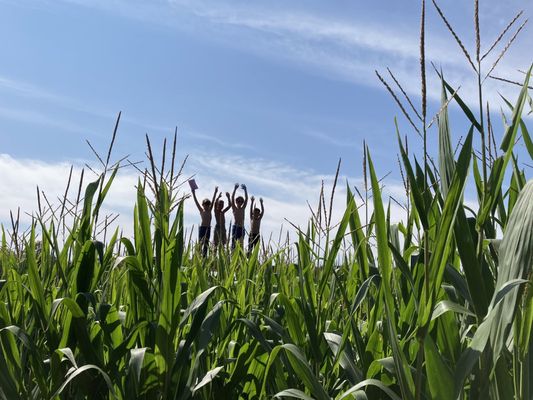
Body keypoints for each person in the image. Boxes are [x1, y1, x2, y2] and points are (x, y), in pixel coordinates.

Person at [191, 185, 218, 256]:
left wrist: (215, 192)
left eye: (208, 204)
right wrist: (193, 193)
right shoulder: (201, 210)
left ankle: (204, 257)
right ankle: (197, 255)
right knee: (200, 243)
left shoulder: (209, 210)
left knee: (206, 244)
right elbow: (196, 201)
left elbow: (213, 200)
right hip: (202, 228)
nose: (206, 205)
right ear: (203, 204)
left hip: (208, 228)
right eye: (205, 204)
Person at [229, 183, 248, 249]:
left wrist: (245, 190)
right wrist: (235, 189)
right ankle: (232, 256)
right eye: (238, 201)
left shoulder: (243, 208)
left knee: (241, 245)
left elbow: (246, 199)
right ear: (236, 202)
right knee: (233, 244)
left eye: (241, 201)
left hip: (242, 227)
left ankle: (240, 257)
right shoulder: (234, 208)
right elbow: (232, 198)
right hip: (235, 227)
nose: (240, 202)